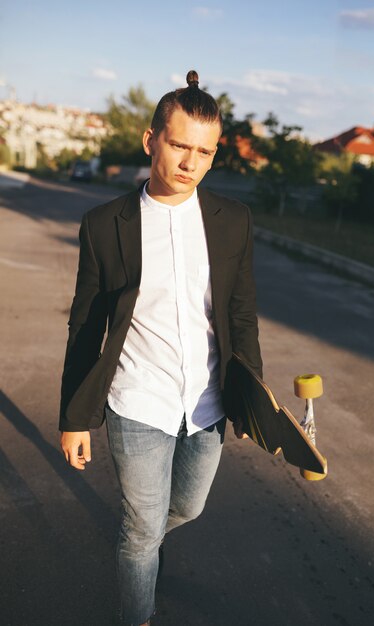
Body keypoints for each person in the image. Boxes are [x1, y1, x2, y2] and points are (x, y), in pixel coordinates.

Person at [60, 70, 262, 626]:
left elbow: (241, 313)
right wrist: (75, 417)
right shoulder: (105, 225)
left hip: (207, 404)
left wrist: (250, 395)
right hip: (138, 399)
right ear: (151, 140)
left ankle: (139, 545)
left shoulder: (232, 222)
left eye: (204, 151)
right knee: (144, 528)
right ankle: (138, 606)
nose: (189, 162)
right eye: (178, 145)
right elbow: (85, 325)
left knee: (187, 507)